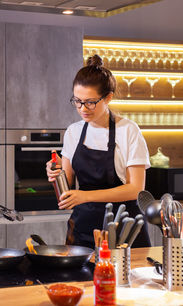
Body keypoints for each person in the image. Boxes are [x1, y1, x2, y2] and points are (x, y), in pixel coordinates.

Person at [46, 54, 151, 249]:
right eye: (77, 101)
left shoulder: (128, 131)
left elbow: (136, 189)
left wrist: (85, 196)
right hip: (82, 229)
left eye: (90, 102)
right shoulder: (73, 132)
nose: (82, 108)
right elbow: (67, 192)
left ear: (108, 97)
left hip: (123, 231)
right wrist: (55, 175)